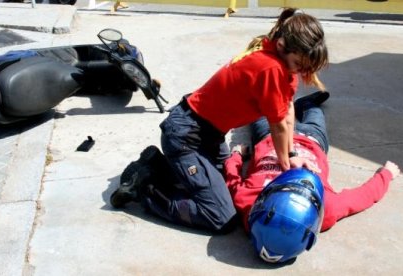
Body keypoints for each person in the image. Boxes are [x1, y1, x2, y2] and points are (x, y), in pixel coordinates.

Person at [110, 7, 329, 232]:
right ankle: (145, 188)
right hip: (187, 135)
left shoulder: (272, 49)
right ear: (283, 46)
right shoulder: (271, 68)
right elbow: (279, 124)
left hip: (206, 133)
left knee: (227, 184)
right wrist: (287, 168)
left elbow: (287, 109)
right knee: (221, 216)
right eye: (299, 64)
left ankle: (156, 164)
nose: (302, 71)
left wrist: (291, 155)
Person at [224, 91, 401, 235]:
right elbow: (362, 197)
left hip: (270, 135)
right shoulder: (324, 209)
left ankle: (273, 101)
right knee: (315, 115)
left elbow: (232, 180)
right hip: (312, 139)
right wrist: (386, 175)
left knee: (260, 110)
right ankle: (308, 104)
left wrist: (237, 154)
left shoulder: (250, 206)